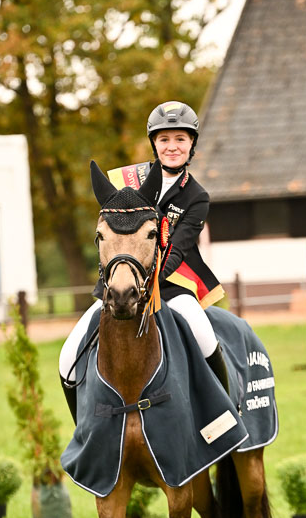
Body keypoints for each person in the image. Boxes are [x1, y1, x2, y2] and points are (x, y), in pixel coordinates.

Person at [59, 100, 229, 394]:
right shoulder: (128, 181)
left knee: (205, 338)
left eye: (180, 139)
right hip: (120, 285)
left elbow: (178, 249)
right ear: (154, 144)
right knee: (67, 359)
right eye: (164, 139)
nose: (172, 147)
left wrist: (148, 284)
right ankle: (82, 422)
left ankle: (225, 408)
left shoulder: (196, 196)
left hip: (170, 285)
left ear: (192, 144)